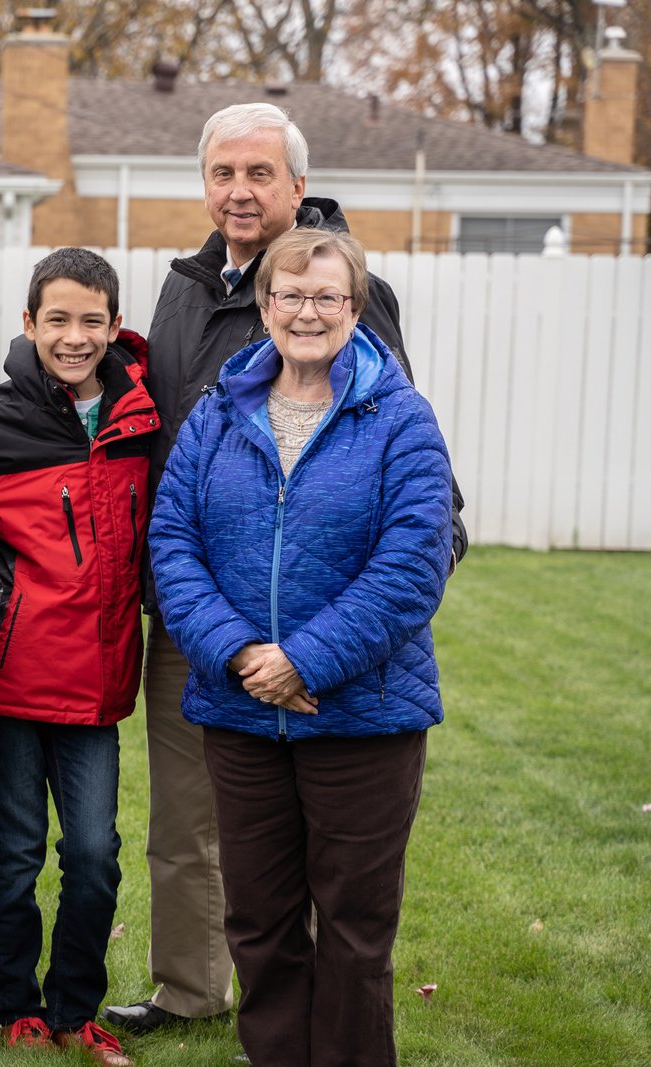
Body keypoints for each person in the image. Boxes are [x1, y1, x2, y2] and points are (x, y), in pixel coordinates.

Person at [104, 101, 467, 1036]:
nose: (239, 190)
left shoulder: (348, 298)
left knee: (338, 896)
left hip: (340, 653)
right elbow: (173, 480)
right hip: (209, 632)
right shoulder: (187, 287)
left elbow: (411, 497)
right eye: (223, 173)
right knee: (194, 835)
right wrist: (222, 635)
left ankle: (330, 1037)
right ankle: (191, 989)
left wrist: (314, 651)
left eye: (260, 173)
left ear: (298, 189)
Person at [0, 248, 156, 1067]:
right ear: (29, 324)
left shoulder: (144, 416)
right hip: (7, 677)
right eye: (57, 320)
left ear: (114, 324)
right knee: (15, 853)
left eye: (91, 320)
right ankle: (17, 1004)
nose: (74, 336)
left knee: (95, 855)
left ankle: (76, 1006)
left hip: (97, 681)